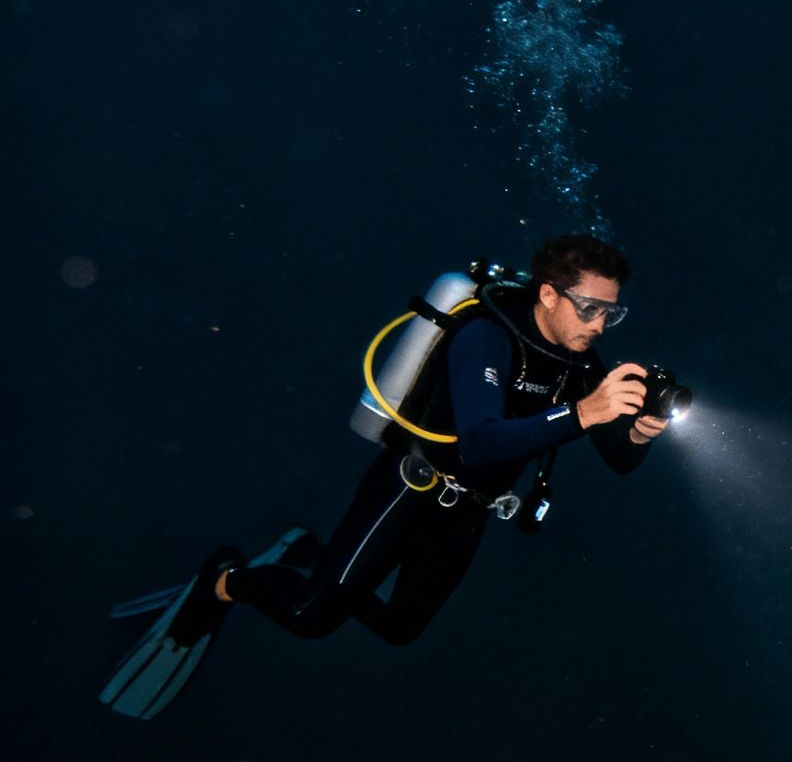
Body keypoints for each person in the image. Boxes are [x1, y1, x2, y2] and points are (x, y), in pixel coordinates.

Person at [101, 234, 668, 718]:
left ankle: (304, 557)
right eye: (588, 307)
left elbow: (618, 460)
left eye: (611, 313)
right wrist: (582, 413)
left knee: (401, 627)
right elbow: (478, 443)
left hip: (470, 512)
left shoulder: (581, 364)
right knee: (311, 616)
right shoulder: (486, 336)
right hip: (409, 486)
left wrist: (637, 434)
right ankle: (226, 577)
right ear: (548, 293)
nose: (599, 324)